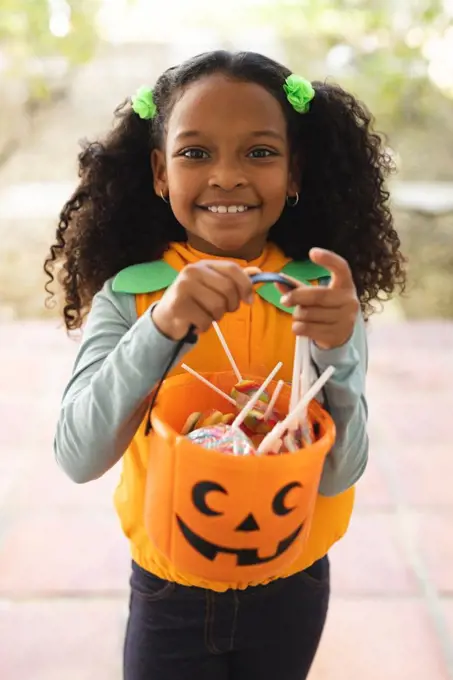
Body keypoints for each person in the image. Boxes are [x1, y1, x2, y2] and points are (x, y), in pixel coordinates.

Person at [44, 50, 406, 680]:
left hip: (293, 585)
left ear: (296, 172)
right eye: (196, 153)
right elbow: (78, 455)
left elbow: (336, 472)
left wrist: (339, 348)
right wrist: (158, 329)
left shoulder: (319, 297)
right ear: (160, 172)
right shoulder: (131, 297)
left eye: (261, 153)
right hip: (170, 590)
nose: (228, 176)